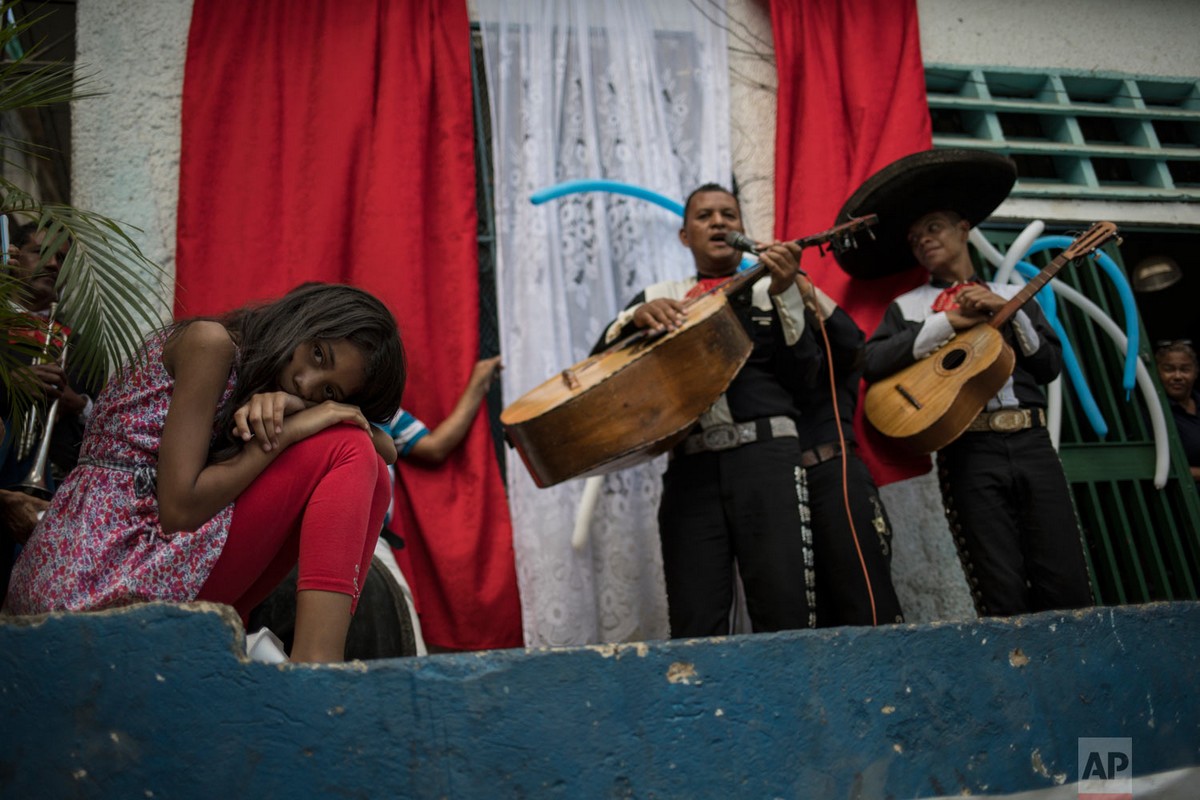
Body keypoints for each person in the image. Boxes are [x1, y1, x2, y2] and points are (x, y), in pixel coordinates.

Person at [3, 283, 407, 663]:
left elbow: (384, 449)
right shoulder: (210, 344)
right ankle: (318, 669)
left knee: (363, 459)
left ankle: (312, 661)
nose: (307, 382)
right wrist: (289, 433)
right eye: (318, 354)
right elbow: (178, 510)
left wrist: (305, 410)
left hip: (142, 556)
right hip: (95, 570)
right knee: (347, 448)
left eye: (330, 392)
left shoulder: (272, 387)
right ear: (302, 318)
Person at [856, 150, 1093, 617]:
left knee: (1064, 575)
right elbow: (873, 361)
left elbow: (1047, 366)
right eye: (914, 237)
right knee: (996, 580)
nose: (923, 240)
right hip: (967, 450)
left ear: (964, 229)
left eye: (934, 227)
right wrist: (950, 321)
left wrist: (1007, 314)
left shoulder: (1014, 294)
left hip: (1031, 441)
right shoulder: (908, 306)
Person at [593, 183, 814, 638]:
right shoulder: (660, 294)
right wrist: (633, 320)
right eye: (705, 216)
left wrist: (789, 291)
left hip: (768, 461)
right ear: (684, 236)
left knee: (783, 607)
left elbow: (806, 377)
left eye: (729, 216)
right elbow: (598, 370)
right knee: (695, 617)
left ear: (742, 230)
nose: (718, 223)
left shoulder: (775, 287)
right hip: (691, 466)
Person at [791, 281, 905, 626]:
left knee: (866, 599)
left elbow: (851, 338)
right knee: (808, 609)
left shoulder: (836, 346)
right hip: (785, 485)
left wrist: (796, 282)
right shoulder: (774, 352)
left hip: (835, 472)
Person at [0, 219, 100, 597]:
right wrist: (10, 386)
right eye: (39, 252)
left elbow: (109, 424)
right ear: (13, 258)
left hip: (55, 498)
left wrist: (80, 404)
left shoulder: (85, 344)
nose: (54, 264)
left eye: (61, 258)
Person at [1155, 341, 1200, 487]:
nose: (1177, 376)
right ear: (1157, 373)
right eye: (1169, 369)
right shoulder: (1154, 413)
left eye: (1185, 369)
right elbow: (1159, 468)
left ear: (1195, 372)